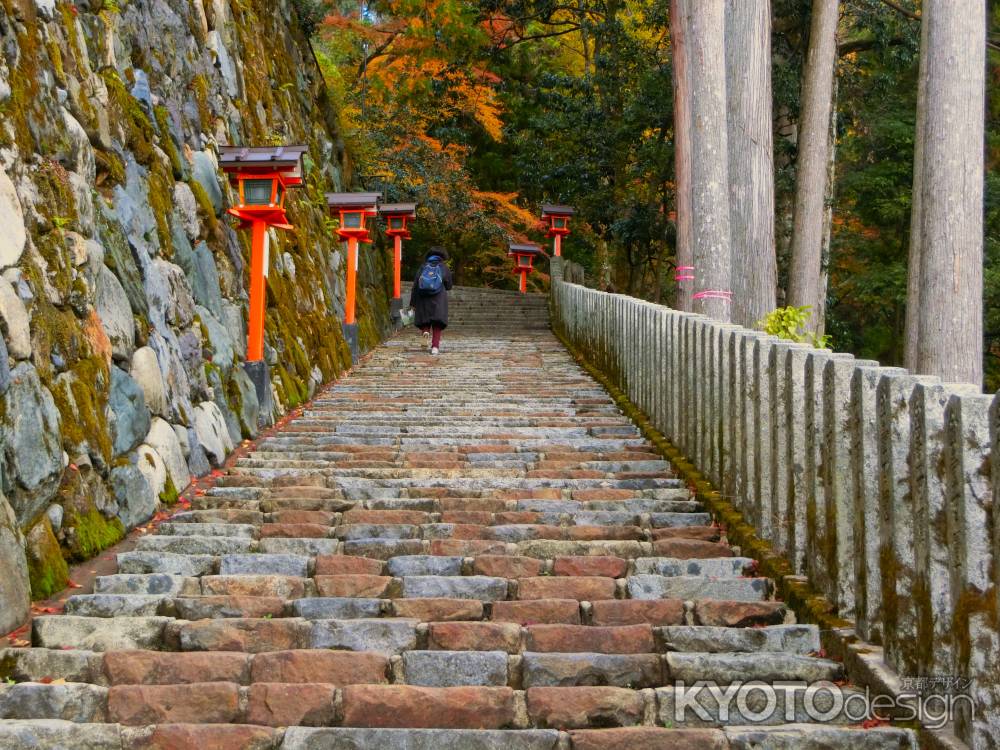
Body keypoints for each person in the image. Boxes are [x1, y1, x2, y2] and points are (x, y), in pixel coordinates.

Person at [409, 247, 453, 355]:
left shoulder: (423, 266)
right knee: (437, 323)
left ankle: (425, 331)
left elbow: (415, 285)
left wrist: (413, 303)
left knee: (425, 319)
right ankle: (435, 347)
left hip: (423, 298)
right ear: (442, 257)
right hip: (439, 299)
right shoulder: (444, 267)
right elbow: (449, 286)